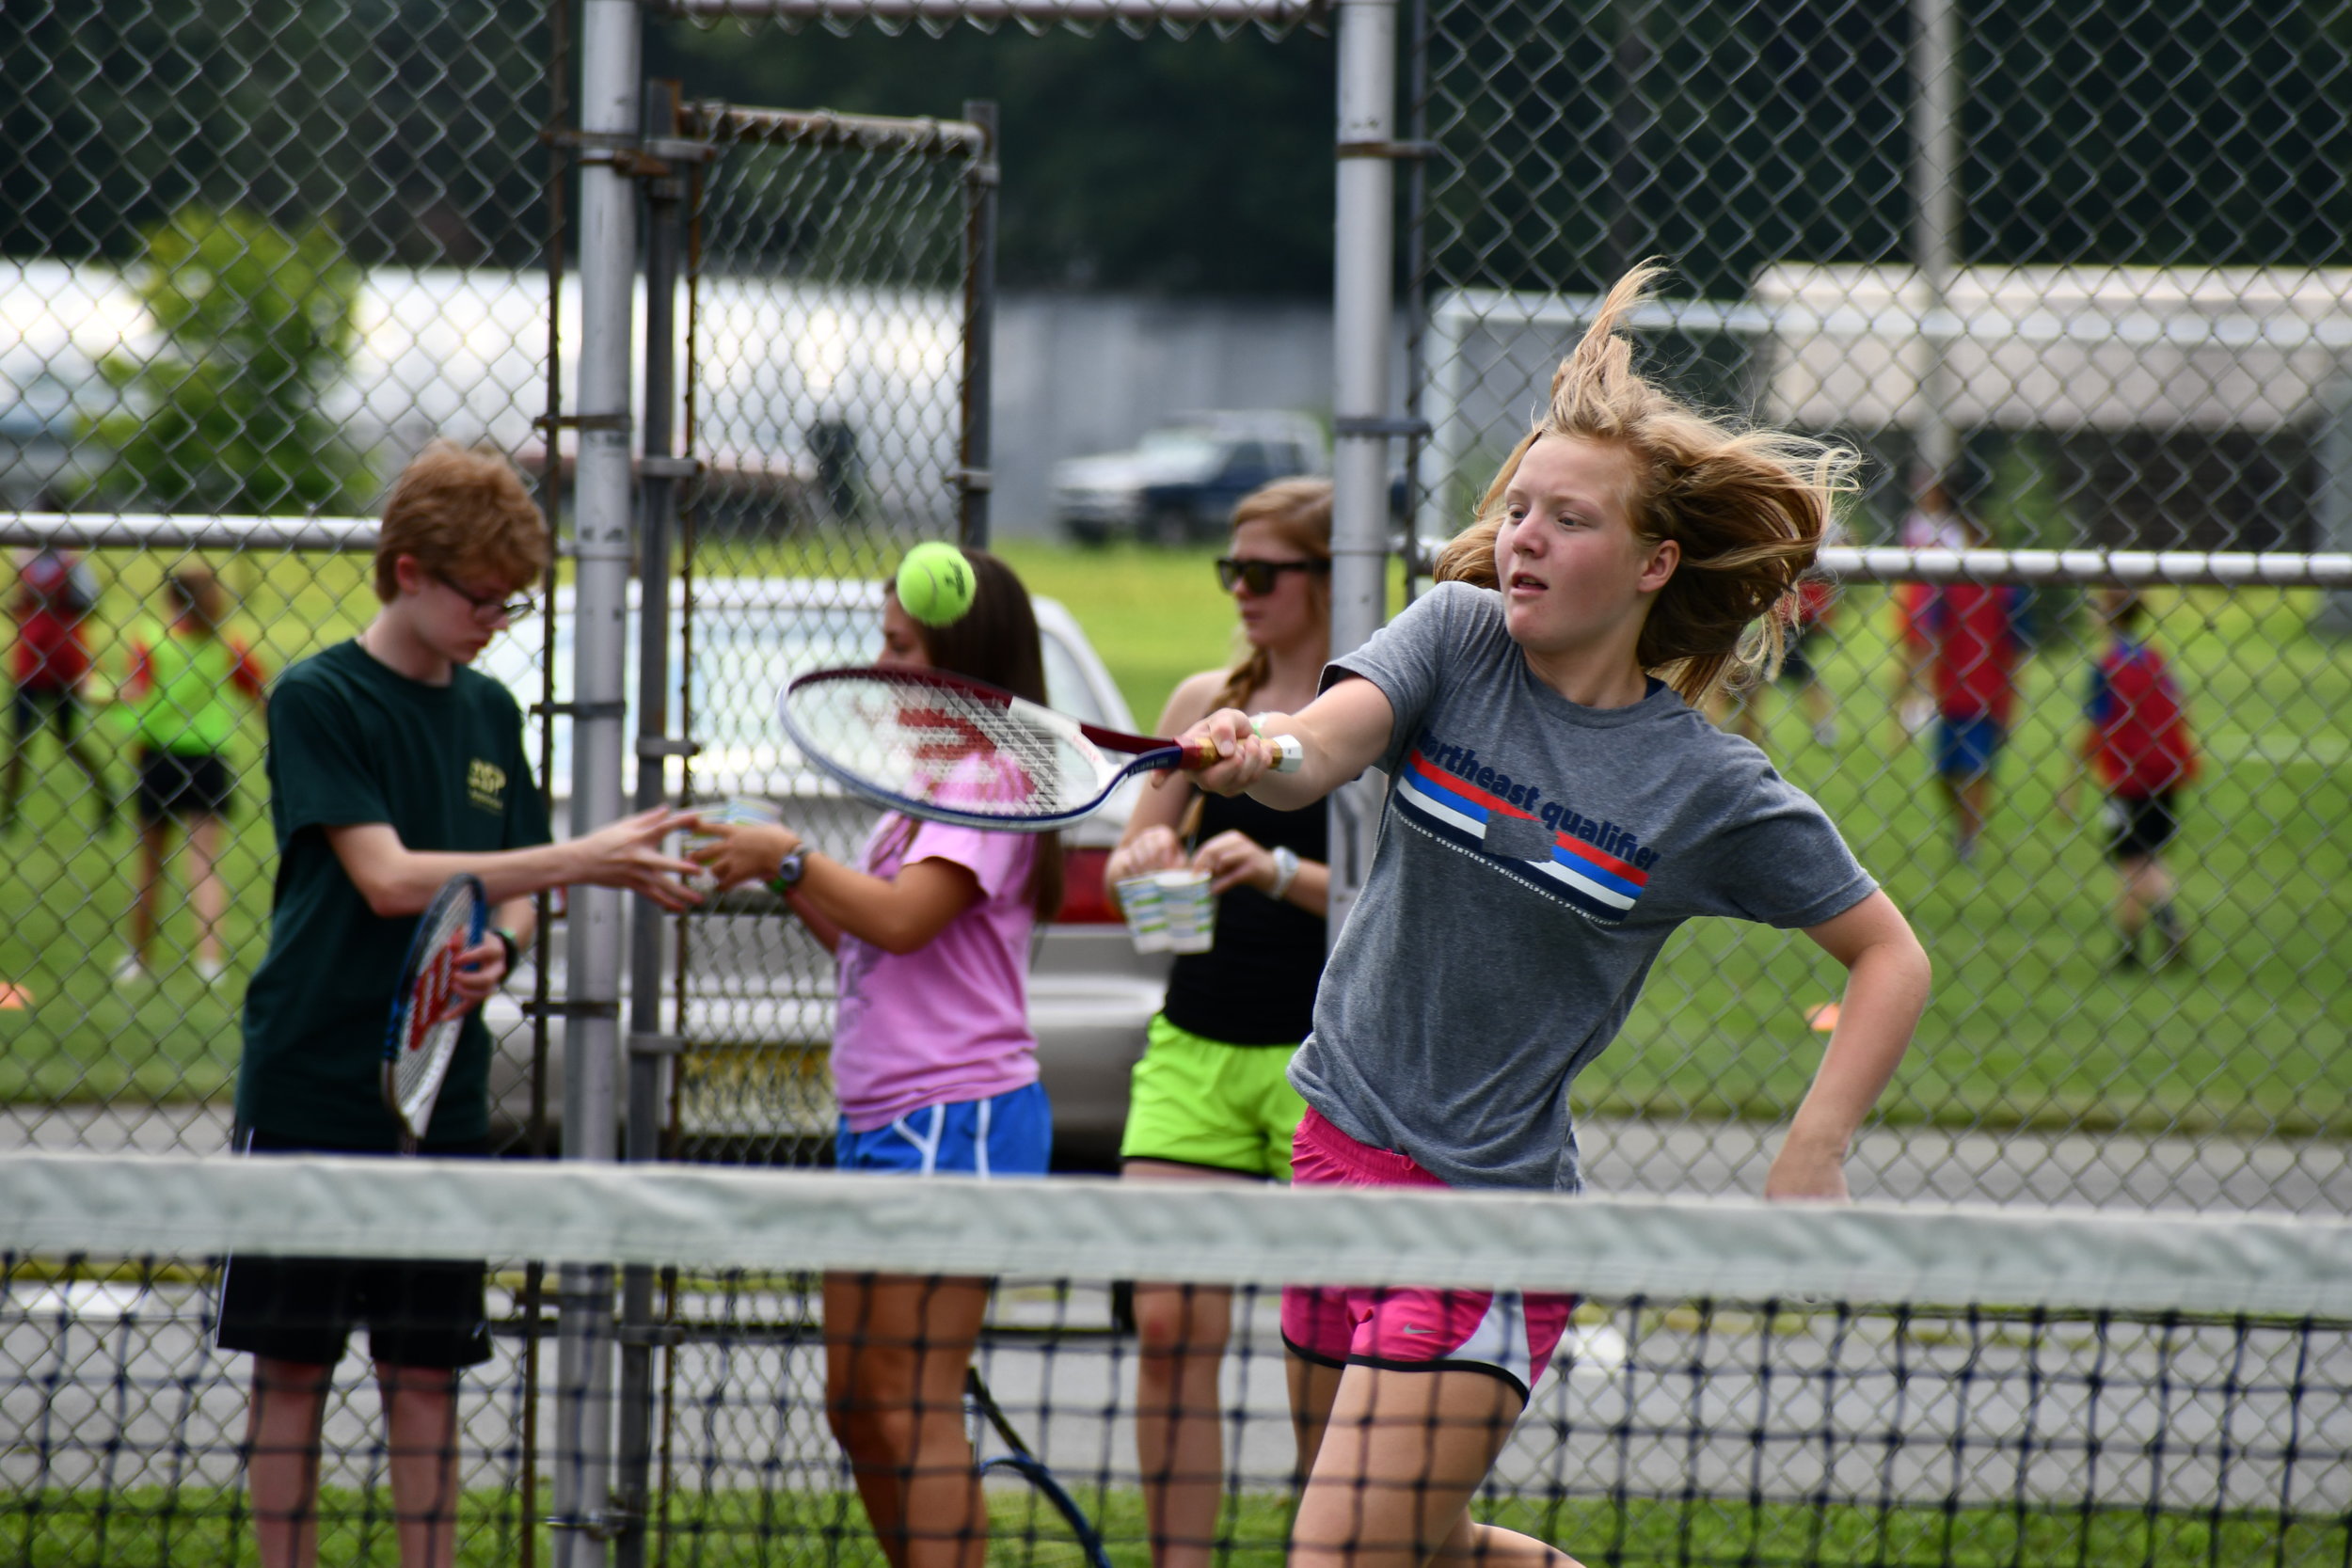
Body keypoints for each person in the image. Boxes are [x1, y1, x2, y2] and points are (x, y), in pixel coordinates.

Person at [1171, 264, 1931, 1568]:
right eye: (1516, 505)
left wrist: (1817, 1141)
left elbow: (1888, 952)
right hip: (1330, 1157)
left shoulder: (1705, 787)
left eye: (1566, 517)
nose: (1521, 532)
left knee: (1333, 1553)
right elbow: (1322, 744)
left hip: (1490, 1215)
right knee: (1412, 1541)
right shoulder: (1455, 637)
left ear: (1653, 561)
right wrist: (1262, 750)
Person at [218, 442, 703, 1568]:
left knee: (425, 1372)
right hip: (314, 1079)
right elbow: (387, 877)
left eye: (512, 599)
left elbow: (505, 882)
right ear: (406, 571)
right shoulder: (319, 696)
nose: (496, 618)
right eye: (479, 597)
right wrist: (576, 857)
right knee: (291, 1364)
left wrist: (500, 940)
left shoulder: (490, 710)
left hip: (440, 1099)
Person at [690, 546, 1064, 1568]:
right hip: (882, 1120)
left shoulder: (991, 778)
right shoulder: (926, 787)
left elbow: (902, 919)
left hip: (959, 1119)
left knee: (910, 1402)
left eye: (899, 646)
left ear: (959, 659)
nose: (879, 664)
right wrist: (781, 872)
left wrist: (792, 857)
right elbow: (872, 943)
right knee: (856, 1406)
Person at [1101, 477, 1333, 1568]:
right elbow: (1127, 867)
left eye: (1262, 571)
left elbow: (1404, 902)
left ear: (1327, 578)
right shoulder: (1205, 696)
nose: (1239, 590)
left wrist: (1282, 867)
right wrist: (1144, 859)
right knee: (1167, 1331)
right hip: (1193, 1046)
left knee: (1321, 1355)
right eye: (1227, 570)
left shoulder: (1372, 708)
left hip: (1328, 1065)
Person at [113, 565, 269, 984]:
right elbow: (257, 692)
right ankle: (209, 960)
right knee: (204, 864)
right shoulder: (226, 644)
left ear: (170, 599)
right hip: (208, 760)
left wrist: (100, 692)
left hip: (159, 756)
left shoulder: (151, 640)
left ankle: (138, 956)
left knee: (150, 865)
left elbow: (134, 691)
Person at [2064, 587, 2196, 971]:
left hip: (2127, 777)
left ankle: (2144, 938)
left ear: (2109, 615)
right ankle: (2138, 942)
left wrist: (2070, 786)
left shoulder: (2106, 666)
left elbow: (2092, 726)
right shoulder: (2153, 657)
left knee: (2130, 861)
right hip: (2164, 772)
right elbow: (2183, 706)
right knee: (2149, 855)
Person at [1922, 515, 2029, 864]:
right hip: (1951, 694)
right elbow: (1935, 638)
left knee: (1976, 771)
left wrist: (2013, 698)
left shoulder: (2006, 591)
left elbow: (2015, 651)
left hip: (1988, 697)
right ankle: (1963, 827)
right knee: (1945, 773)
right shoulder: (1951, 587)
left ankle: (1970, 837)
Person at [3, 544, 113, 835]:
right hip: (29, 663)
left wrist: (54, 602)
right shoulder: (25, 561)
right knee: (18, 742)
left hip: (63, 662)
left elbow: (91, 604)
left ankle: (105, 796)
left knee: (67, 739)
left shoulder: (72, 565)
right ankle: (8, 813)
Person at [1710, 573, 1839, 750]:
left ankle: (1824, 726)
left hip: (1791, 621)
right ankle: (1737, 729)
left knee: (1794, 678)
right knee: (1754, 680)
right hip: (1778, 620)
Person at [1892, 472, 1966, 739]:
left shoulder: (1951, 526)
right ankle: (1900, 716)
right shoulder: (1914, 522)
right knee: (1909, 657)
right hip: (1915, 596)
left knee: (1932, 657)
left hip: (1939, 599)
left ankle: (1924, 710)